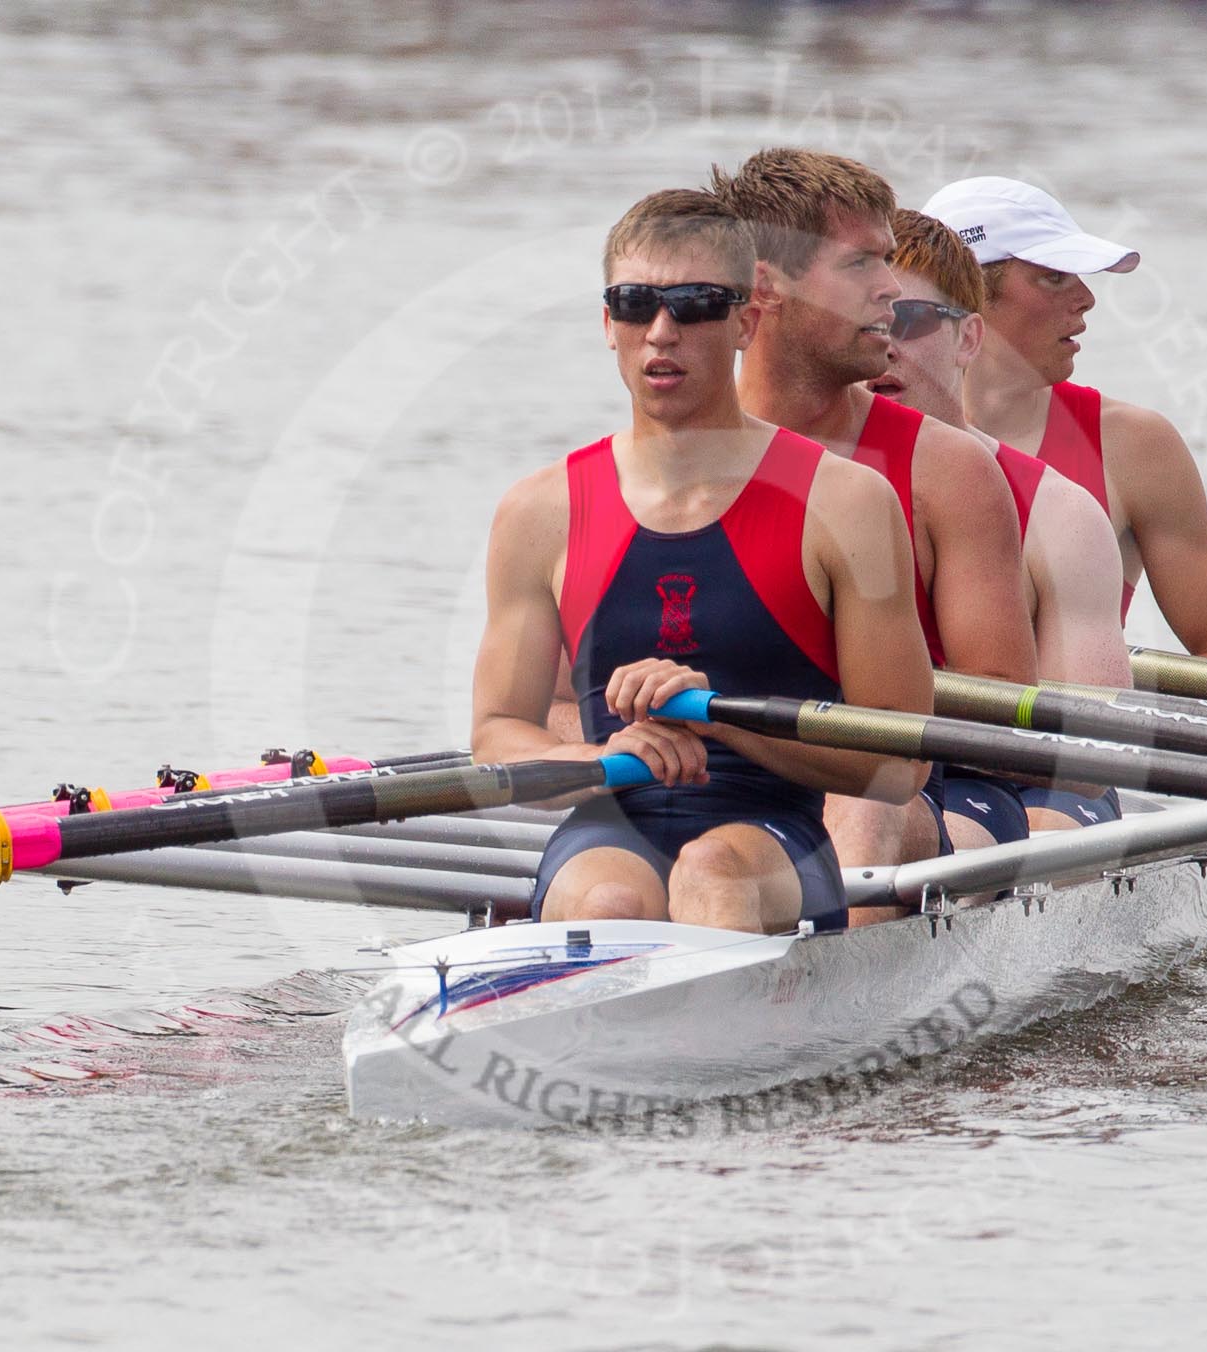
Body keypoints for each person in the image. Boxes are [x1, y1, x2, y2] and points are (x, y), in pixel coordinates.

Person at [471, 188, 932, 936]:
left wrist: (717, 720)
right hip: (609, 816)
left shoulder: (846, 504)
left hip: (770, 833)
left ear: (747, 321)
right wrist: (600, 758)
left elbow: (899, 761)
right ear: (606, 322)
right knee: (611, 906)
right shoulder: (537, 512)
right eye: (634, 303)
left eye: (694, 304)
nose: (660, 331)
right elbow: (497, 734)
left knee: (712, 875)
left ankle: (709, 1045)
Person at [709, 148, 1033, 896]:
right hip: (716, 771)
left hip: (928, 788)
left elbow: (1004, 730)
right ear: (766, 287)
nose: (892, 289)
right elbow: (560, 708)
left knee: (859, 801)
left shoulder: (948, 473)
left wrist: (824, 696)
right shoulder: (663, 461)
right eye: (862, 266)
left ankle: (829, 1000)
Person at [923, 176, 1207, 666]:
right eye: (1054, 276)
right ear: (970, 293)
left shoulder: (1135, 447)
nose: (1087, 298)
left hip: (1063, 734)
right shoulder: (852, 426)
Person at [872, 207, 1131, 844]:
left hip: (1009, 786)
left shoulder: (1058, 514)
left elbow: (1087, 757)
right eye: (867, 323)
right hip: (834, 765)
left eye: (908, 319)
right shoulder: (788, 478)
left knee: (1035, 827)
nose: (883, 346)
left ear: (968, 339)